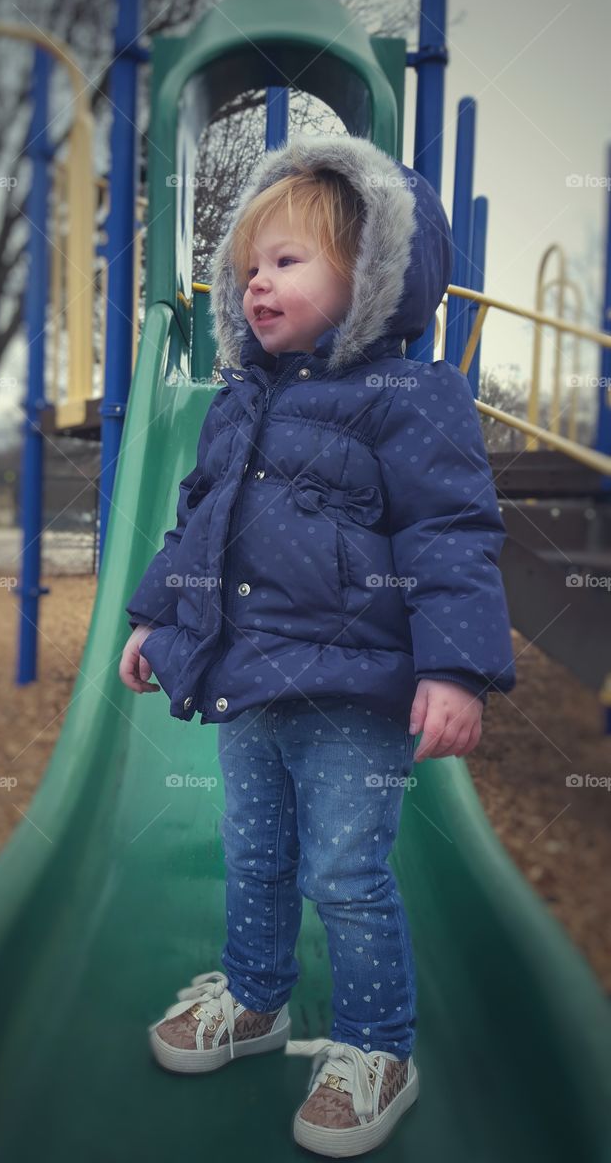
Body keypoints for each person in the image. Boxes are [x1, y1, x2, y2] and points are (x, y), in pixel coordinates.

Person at [119, 133, 516, 1156]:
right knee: (253, 854)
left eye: (286, 261)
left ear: (371, 274)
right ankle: (255, 997)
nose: (257, 281)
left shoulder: (412, 399)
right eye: (248, 266)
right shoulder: (239, 402)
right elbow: (198, 516)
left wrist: (452, 665)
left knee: (343, 869)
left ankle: (377, 1044)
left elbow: (448, 533)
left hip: (353, 688)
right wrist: (156, 620)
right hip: (250, 676)